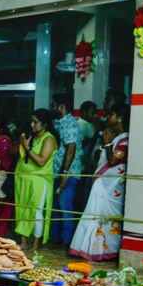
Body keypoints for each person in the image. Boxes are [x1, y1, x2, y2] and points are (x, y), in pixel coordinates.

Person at [69, 106, 130, 261]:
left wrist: (108, 143)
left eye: (111, 114)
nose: (107, 118)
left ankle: (102, 250)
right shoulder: (119, 138)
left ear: (120, 118)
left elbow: (113, 160)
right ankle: (90, 248)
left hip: (112, 185)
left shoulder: (125, 140)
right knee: (95, 214)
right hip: (105, 183)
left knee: (106, 216)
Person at [14, 109, 58, 251]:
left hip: (39, 181)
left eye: (35, 122)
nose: (32, 125)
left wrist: (26, 148)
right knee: (22, 210)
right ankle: (24, 241)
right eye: (31, 122)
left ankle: (35, 244)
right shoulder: (31, 136)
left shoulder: (49, 139)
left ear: (44, 124)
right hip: (23, 179)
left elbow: (41, 161)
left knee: (36, 212)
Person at [50, 94, 81, 247]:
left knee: (65, 207)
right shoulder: (60, 123)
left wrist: (64, 173)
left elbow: (71, 149)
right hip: (59, 172)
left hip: (68, 174)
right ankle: (56, 239)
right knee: (57, 208)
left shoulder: (70, 124)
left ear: (61, 107)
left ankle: (67, 242)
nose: (52, 108)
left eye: (54, 105)